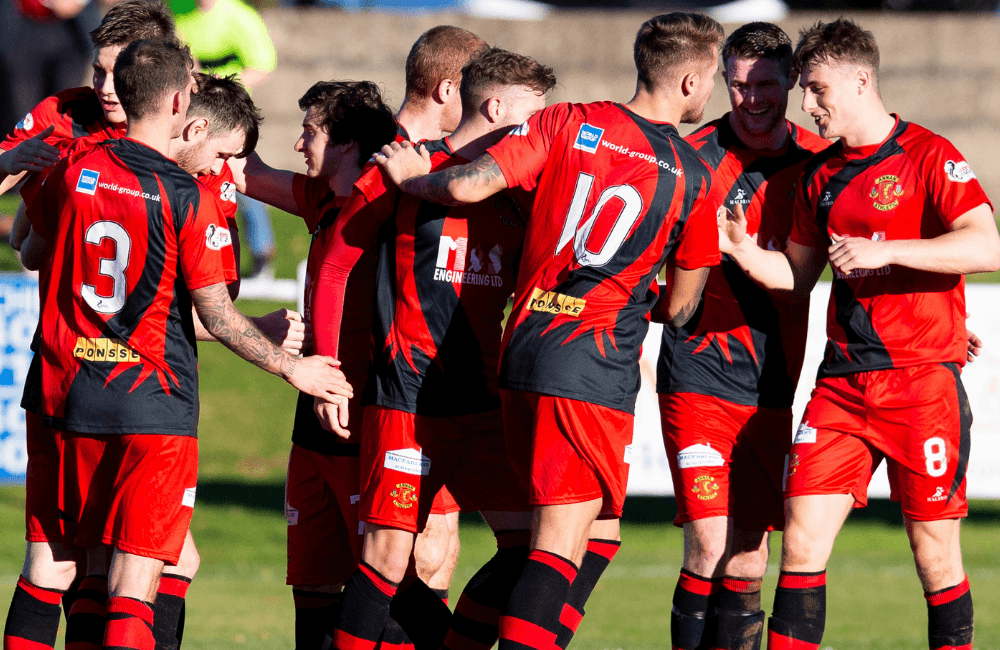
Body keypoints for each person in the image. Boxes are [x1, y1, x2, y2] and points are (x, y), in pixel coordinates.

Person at [376, 12, 724, 650]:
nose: (713, 95)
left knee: (600, 534)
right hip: (591, 364)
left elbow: (472, 182)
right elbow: (680, 308)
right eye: (713, 81)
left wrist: (415, 181)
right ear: (690, 80)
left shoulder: (569, 121)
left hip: (526, 351)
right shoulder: (696, 171)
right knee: (559, 545)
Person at [9, 38, 350, 650]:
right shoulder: (185, 196)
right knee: (136, 581)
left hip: (66, 393)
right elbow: (217, 315)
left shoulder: (73, 163)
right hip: (150, 404)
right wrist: (290, 367)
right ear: (177, 102)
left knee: (58, 564)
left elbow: (30, 248)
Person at [715, 18, 998, 650]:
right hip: (840, 389)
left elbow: (985, 243)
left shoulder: (929, 154)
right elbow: (795, 276)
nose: (807, 106)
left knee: (934, 554)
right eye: (804, 92)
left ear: (860, 78)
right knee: (802, 542)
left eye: (816, 90)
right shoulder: (822, 176)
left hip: (922, 384)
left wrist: (888, 251)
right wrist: (739, 249)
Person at [316, 47, 554, 650]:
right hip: (409, 401)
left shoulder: (518, 193)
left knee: (532, 546)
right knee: (387, 558)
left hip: (482, 402)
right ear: (497, 106)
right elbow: (338, 262)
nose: (542, 128)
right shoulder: (401, 167)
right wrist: (323, 365)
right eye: (534, 114)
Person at [654, 22, 826, 650]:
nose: (752, 98)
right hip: (696, 374)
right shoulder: (689, 156)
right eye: (739, 85)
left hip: (774, 386)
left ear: (793, 83)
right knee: (707, 540)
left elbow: (867, 247)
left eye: (767, 85)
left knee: (751, 556)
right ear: (723, 80)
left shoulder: (817, 163)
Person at [227, 79, 398, 650]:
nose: (299, 145)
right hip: (311, 416)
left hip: (360, 409)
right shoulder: (320, 197)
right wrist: (210, 96)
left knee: (386, 581)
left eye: (311, 132)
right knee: (312, 585)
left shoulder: (387, 207)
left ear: (347, 142)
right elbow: (243, 172)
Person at [172, 0, 279, 278]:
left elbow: (263, 65)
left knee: (241, 183)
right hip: (193, 114)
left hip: (230, 117)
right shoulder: (179, 10)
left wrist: (223, 83)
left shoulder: (241, 17)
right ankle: (187, 253)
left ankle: (260, 253)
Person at [395, 25, 487, 143]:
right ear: (446, 90)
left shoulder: (371, 140)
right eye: (475, 93)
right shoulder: (383, 157)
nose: (481, 105)